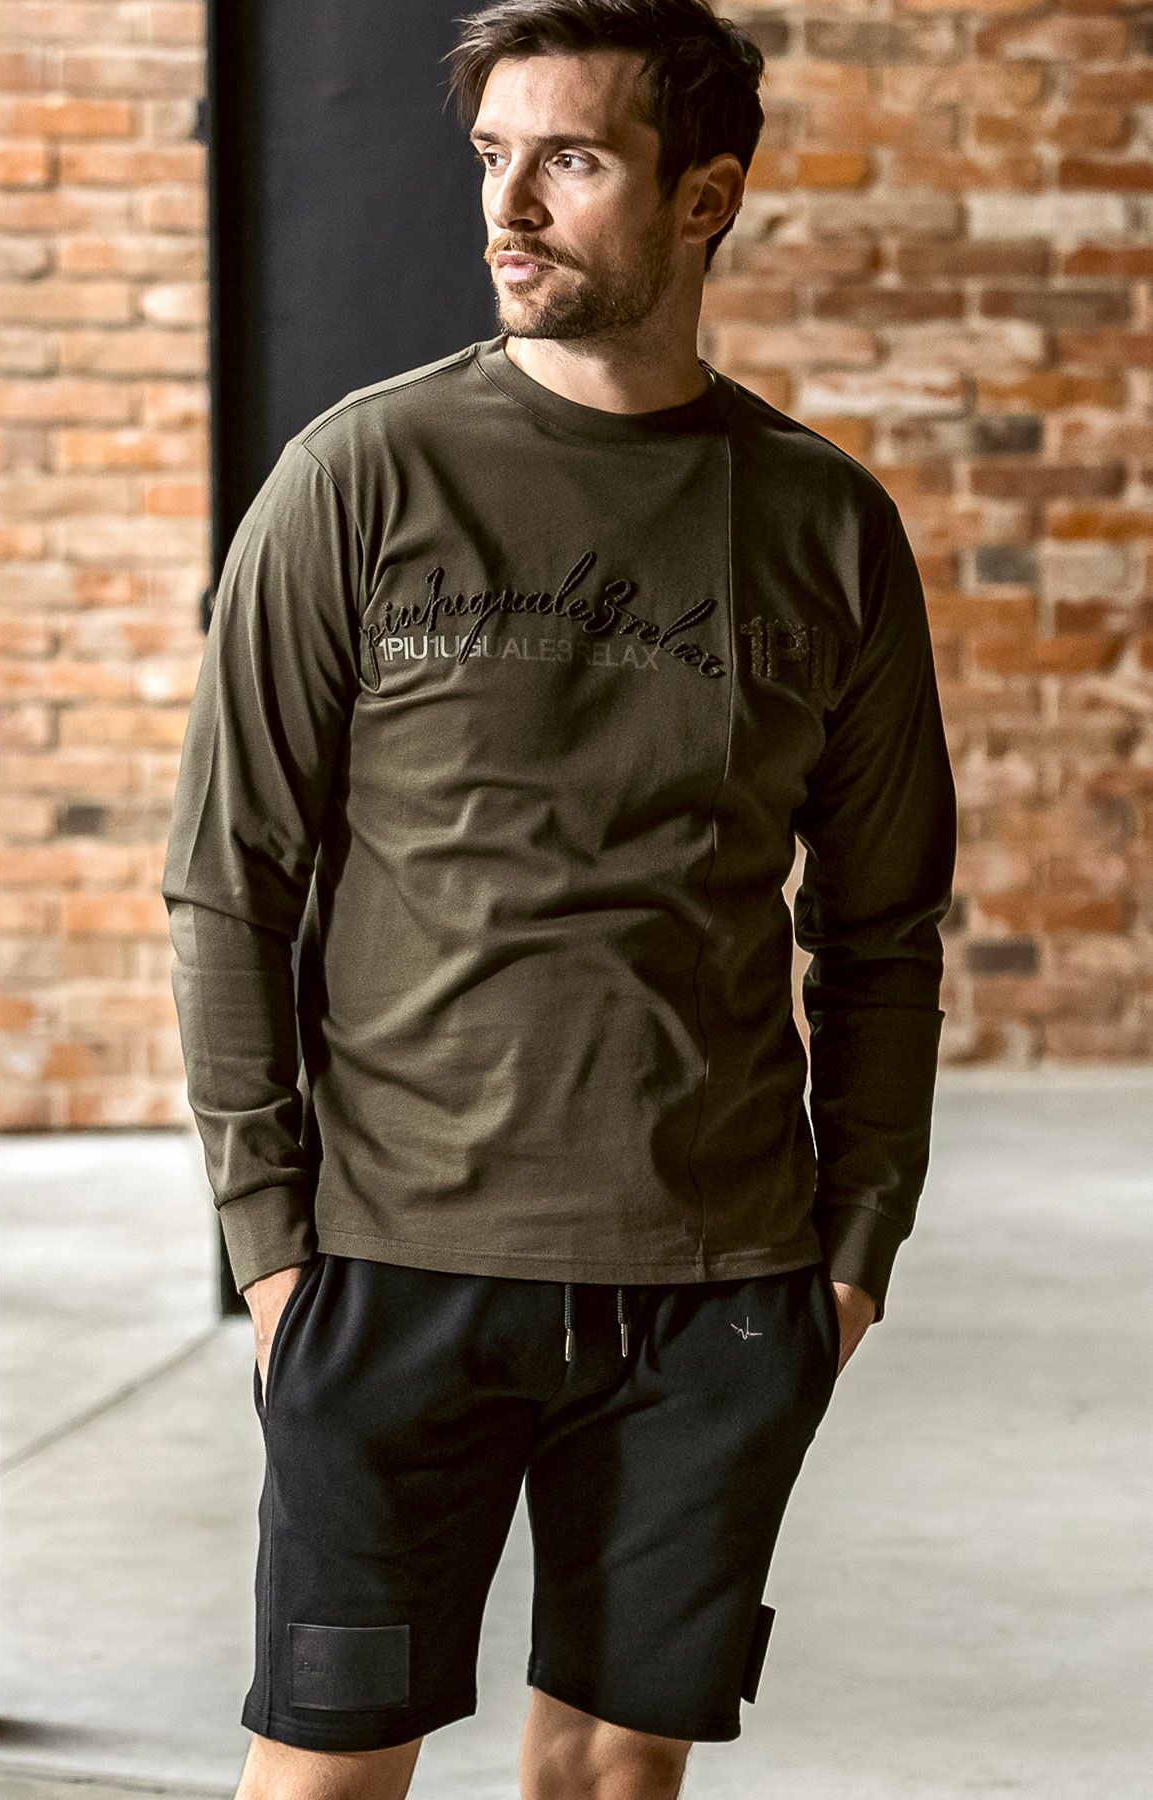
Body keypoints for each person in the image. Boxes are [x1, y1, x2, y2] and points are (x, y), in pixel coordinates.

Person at [161, 0, 957, 1793]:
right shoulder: (360, 477)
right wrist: (270, 1243)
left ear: (705, 198)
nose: (509, 207)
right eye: (491, 157)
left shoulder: (825, 523)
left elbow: (884, 926)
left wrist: (854, 1249)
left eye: (573, 160)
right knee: (327, 1772)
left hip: (716, 1283)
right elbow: (230, 881)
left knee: (608, 1770)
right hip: (395, 1263)